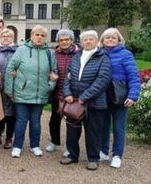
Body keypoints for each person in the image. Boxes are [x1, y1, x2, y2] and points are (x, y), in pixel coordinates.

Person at [60, 30, 111, 171]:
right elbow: (67, 78)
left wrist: (85, 97)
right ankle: (72, 155)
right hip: (74, 102)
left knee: (93, 132)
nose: (88, 41)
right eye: (85, 39)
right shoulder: (76, 56)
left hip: (94, 103)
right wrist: (67, 93)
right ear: (81, 42)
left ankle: (93, 158)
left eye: (91, 39)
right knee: (72, 131)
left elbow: (102, 80)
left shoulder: (103, 57)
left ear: (96, 41)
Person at [4, 25, 57, 158]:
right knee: (21, 121)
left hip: (40, 93)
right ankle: (17, 146)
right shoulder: (21, 50)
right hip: (22, 92)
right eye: (36, 35)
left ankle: (35, 145)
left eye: (42, 35)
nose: (39, 37)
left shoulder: (49, 53)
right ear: (31, 36)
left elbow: (54, 72)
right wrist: (9, 90)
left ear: (45, 38)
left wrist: (49, 86)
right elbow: (10, 69)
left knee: (36, 122)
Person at [99, 28, 141, 169]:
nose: (110, 40)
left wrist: (132, 95)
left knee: (118, 128)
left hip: (120, 96)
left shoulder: (125, 54)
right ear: (102, 40)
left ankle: (117, 155)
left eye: (113, 38)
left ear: (119, 40)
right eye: (107, 37)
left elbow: (134, 76)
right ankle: (103, 151)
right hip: (103, 96)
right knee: (103, 126)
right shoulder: (98, 53)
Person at [46, 29, 81, 156]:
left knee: (72, 122)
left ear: (72, 40)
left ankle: (70, 147)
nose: (64, 42)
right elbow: (48, 68)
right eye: (61, 40)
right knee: (54, 120)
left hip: (72, 93)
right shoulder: (53, 53)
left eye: (67, 39)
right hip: (57, 92)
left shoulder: (79, 53)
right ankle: (54, 141)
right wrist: (50, 73)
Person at [0, 28, 18, 149]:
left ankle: (9, 137)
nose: (6, 38)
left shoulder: (18, 50)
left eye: (8, 36)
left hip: (13, 87)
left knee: (11, 114)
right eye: (3, 36)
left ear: (13, 38)